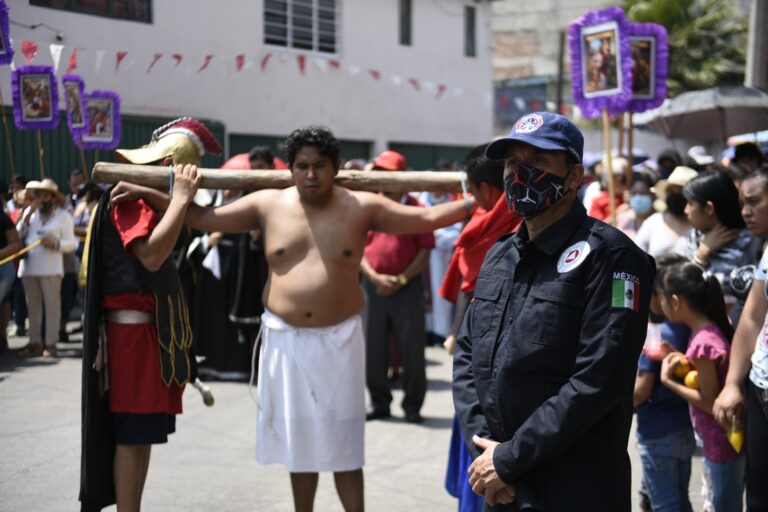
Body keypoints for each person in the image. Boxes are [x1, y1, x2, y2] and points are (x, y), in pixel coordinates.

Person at [110, 126, 476, 512]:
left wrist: (480, 199)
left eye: (320, 165)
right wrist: (149, 192)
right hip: (285, 341)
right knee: (300, 448)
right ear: (291, 169)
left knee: (345, 449)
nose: (311, 175)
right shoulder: (267, 204)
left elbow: (429, 217)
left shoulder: (362, 206)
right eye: (302, 166)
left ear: (335, 167)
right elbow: (203, 217)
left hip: (340, 341)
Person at [453, 112, 655, 511]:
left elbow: (600, 380)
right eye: (513, 163)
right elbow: (466, 358)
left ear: (575, 176)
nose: (520, 173)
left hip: (573, 484)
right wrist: (486, 453)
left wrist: (510, 459)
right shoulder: (499, 254)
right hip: (500, 482)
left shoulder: (613, 258)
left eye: (539, 162)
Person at [79, 117, 223, 512]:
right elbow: (153, 255)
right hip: (133, 338)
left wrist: (177, 200)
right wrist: (178, 198)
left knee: (140, 436)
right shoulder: (130, 198)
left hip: (147, 336)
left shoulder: (145, 197)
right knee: (130, 435)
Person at [442, 145, 520, 512]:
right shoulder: (490, 229)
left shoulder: (512, 231)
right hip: (480, 362)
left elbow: (466, 287)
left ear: (488, 191)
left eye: (471, 192)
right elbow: (469, 290)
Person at [659, 262, 745, 512]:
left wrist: (668, 382)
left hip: (721, 446)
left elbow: (711, 402)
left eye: (662, 296)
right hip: (721, 443)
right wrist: (682, 361)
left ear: (676, 301)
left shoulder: (702, 343)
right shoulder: (706, 330)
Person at [361, 150, 435, 424]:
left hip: (407, 287)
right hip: (373, 287)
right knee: (373, 349)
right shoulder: (369, 205)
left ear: (402, 177)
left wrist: (402, 279)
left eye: (389, 174)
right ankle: (379, 403)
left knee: (412, 350)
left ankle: (412, 405)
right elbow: (358, 249)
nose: (383, 180)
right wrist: (374, 277)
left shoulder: (416, 208)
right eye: (379, 173)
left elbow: (425, 251)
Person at [713, 168, 768, 511]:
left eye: (754, 202)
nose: (745, 211)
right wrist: (733, 383)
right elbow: (751, 318)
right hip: (760, 389)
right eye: (742, 203)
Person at [633, 254, 695, 512]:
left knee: (666, 505)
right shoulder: (690, 328)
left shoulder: (655, 335)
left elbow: (641, 390)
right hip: (685, 429)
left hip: (657, 433)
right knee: (681, 499)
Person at [673, 171, 755, 323]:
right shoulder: (689, 241)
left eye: (690, 203)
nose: (685, 210)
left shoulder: (750, 241)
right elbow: (676, 289)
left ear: (709, 208)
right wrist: (701, 255)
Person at [16, 179, 77, 358]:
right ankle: (35, 342)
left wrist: (56, 244)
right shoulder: (30, 213)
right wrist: (27, 215)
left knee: (52, 307)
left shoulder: (63, 216)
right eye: (39, 195)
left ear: (53, 198)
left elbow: (72, 243)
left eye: (45, 195)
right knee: (32, 307)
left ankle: (50, 343)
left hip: (50, 268)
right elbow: (17, 234)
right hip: (28, 268)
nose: (41, 199)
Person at [635, 166, 696, 258]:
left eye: (681, 192)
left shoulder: (700, 227)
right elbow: (637, 256)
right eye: (671, 191)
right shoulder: (653, 222)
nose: (675, 195)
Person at [0, 208, 21, 352]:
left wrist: (0, 253)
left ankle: (1, 338)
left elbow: (16, 244)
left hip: (2, 267)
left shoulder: (3, 218)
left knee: (4, 300)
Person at [587, 156, 630, 222]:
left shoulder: (632, 197)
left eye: (622, 176)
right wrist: (618, 214)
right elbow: (597, 227)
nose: (619, 180)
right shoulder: (599, 200)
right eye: (615, 176)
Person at [616, 173, 655, 240]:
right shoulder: (624, 220)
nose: (638, 198)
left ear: (652, 196)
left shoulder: (661, 221)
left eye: (642, 193)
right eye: (634, 193)